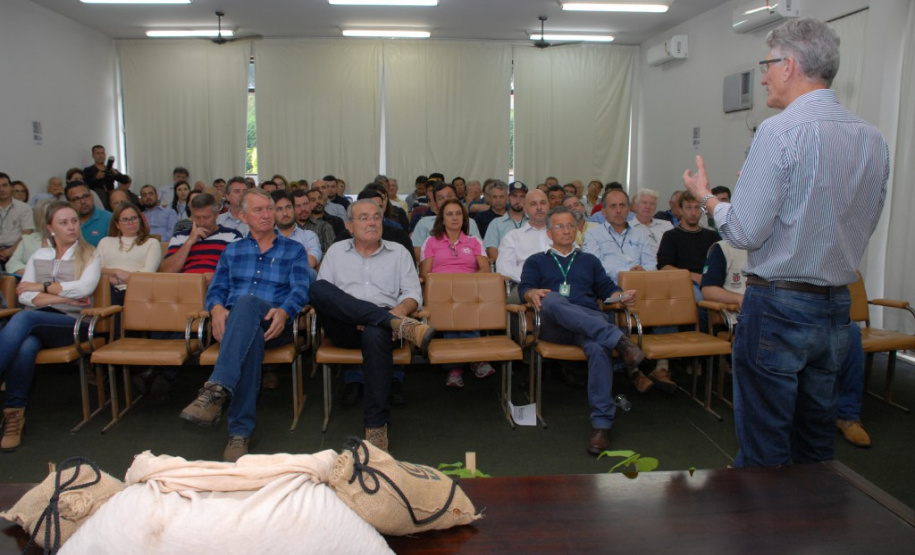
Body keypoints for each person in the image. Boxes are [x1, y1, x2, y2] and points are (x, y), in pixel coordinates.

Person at [683, 18, 889, 468]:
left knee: (765, 446)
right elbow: (865, 221)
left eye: (767, 65)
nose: (763, 78)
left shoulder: (779, 131)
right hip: (835, 305)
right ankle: (811, 515)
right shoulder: (872, 138)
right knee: (815, 442)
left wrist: (708, 200)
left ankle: (763, 517)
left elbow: (744, 233)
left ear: (789, 65)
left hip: (779, 306)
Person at [179, 189, 310, 462]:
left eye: (269, 209)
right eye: (258, 210)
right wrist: (216, 309)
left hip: (275, 323)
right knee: (250, 338)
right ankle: (239, 434)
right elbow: (216, 289)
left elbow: (300, 290)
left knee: (247, 302)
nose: (266, 215)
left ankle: (216, 390)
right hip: (236, 327)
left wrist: (285, 312)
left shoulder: (294, 250)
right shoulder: (232, 250)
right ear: (242, 216)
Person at [700, 241, 873, 448]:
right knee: (774, 337)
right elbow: (708, 289)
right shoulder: (725, 248)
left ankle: (847, 415)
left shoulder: (790, 242)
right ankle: (779, 428)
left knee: (850, 331)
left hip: (797, 311)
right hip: (749, 316)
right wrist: (739, 298)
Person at [310, 200, 435, 452]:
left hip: (387, 330)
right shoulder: (336, 251)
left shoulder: (399, 252)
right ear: (349, 226)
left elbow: (413, 294)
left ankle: (376, 426)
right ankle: (390, 322)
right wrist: (381, 319)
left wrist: (396, 314)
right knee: (317, 287)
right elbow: (325, 296)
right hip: (345, 327)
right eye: (364, 218)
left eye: (376, 217)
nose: (371, 222)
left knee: (376, 331)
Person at [519, 206, 644, 455]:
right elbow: (525, 288)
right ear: (549, 233)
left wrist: (621, 295)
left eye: (570, 225)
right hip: (556, 327)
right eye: (560, 226)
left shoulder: (589, 260)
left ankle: (601, 425)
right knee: (552, 299)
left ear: (577, 230)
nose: (567, 230)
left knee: (598, 348)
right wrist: (532, 292)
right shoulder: (536, 260)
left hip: (589, 324)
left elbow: (607, 289)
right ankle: (619, 340)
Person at [0, 201, 101, 451]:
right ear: (50, 228)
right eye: (63, 222)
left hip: (72, 323)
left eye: (74, 221)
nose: (72, 226)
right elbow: (24, 295)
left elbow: (84, 289)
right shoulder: (39, 255)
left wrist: (41, 287)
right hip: (39, 322)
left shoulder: (90, 254)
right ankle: (14, 415)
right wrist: (62, 297)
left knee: (23, 318)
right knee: (25, 346)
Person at [420, 199, 494, 388]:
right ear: (442, 219)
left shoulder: (474, 241)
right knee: (453, 305)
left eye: (458, 213)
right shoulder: (431, 241)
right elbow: (425, 273)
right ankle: (476, 360)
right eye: (449, 214)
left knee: (464, 302)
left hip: (470, 291)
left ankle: (455, 368)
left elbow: (485, 269)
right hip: (441, 292)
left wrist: (463, 285)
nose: (455, 218)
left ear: (464, 218)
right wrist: (448, 286)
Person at [160, 193, 242, 282]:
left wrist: (218, 277)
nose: (202, 223)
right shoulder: (179, 237)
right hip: (185, 285)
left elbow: (241, 270)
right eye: (197, 218)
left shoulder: (232, 236)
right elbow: (167, 271)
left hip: (218, 285)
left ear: (216, 215)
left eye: (206, 217)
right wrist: (189, 242)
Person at [96, 202, 162, 307]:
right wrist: (116, 272)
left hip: (136, 291)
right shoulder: (105, 242)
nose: (131, 223)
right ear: (117, 224)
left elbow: (147, 274)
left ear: (140, 220)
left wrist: (116, 277)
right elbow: (96, 269)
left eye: (134, 218)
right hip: (108, 289)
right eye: (125, 220)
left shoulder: (152, 243)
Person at [483, 181, 528, 261]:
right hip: (504, 267)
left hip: (530, 267)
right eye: (514, 196)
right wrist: (507, 266)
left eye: (522, 196)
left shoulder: (533, 222)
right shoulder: (496, 223)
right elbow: (492, 252)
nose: (518, 200)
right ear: (508, 198)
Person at [0, 173, 35, 272]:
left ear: (11, 187)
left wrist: (10, 251)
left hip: (17, 250)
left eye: (5, 185)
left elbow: (27, 233)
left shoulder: (24, 208)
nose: (2, 189)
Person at [629, 189, 674, 257]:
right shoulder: (627, 227)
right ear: (636, 206)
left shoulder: (667, 225)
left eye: (652, 204)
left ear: (655, 207)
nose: (648, 207)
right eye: (644, 203)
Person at [65, 181, 111, 248]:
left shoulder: (109, 219)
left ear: (92, 197)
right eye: (76, 199)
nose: (83, 201)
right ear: (69, 203)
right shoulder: (64, 223)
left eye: (85, 196)